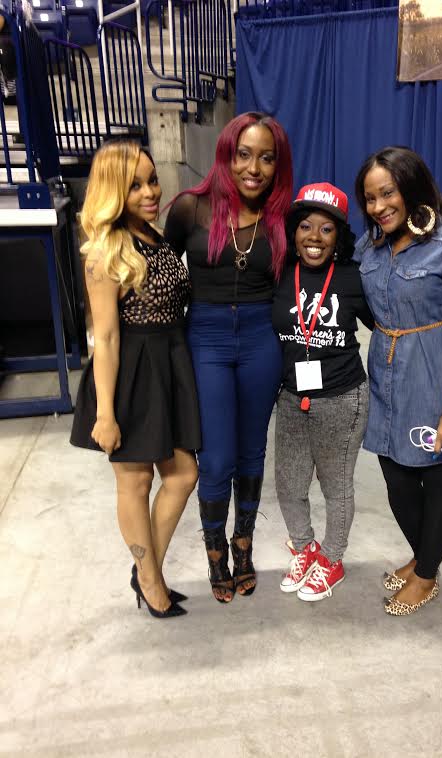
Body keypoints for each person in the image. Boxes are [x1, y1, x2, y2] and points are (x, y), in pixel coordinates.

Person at [354, 146, 442, 616]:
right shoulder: (370, 246)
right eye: (370, 198)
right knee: (397, 479)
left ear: (412, 187)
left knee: (439, 477)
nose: (378, 206)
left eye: (387, 193)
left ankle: (427, 574)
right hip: (386, 374)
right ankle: (423, 555)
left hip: (438, 377)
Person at [164, 112, 293, 603]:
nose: (253, 168)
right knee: (216, 457)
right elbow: (159, 269)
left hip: (262, 338)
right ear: (226, 155)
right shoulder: (190, 209)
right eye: (243, 154)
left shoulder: (283, 218)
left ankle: (244, 548)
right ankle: (215, 552)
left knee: (251, 452)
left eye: (266, 158)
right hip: (207, 338)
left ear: (278, 165)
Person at [70, 139, 201, 619]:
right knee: (137, 481)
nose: (150, 192)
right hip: (130, 373)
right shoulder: (106, 253)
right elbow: (104, 338)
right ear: (112, 192)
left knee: (183, 475)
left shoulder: (154, 233)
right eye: (135, 186)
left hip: (169, 363)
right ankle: (149, 580)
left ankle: (147, 572)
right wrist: (105, 414)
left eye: (152, 180)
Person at [272, 183, 374, 601]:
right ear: (293, 231)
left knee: (336, 487)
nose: (314, 237)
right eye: (306, 227)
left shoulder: (352, 278)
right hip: (292, 397)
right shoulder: (280, 273)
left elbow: (386, 324)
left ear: (339, 237)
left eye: (326, 229)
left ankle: (332, 559)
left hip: (342, 398)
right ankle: (304, 547)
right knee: (289, 485)